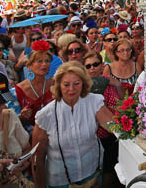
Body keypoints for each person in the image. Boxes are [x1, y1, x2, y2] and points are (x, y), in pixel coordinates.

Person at [32, 62, 114, 188]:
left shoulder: (93, 101)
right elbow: (38, 157)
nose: (71, 89)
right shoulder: (46, 115)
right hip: (60, 181)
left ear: (84, 84)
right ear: (58, 85)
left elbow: (114, 127)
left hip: (92, 174)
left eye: (77, 83)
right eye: (66, 84)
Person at [84, 52, 121, 188]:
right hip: (91, 137)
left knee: (109, 167)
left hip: (110, 134)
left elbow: (119, 103)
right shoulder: (79, 85)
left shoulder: (109, 81)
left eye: (95, 64)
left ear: (102, 66)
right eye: (88, 66)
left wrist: (117, 84)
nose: (92, 68)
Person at [14, 40, 53, 134]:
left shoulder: (55, 85)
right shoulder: (17, 91)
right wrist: (22, 117)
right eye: (39, 61)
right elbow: (12, 123)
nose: (44, 64)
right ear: (30, 65)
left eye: (47, 61)